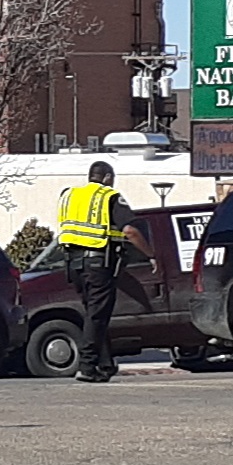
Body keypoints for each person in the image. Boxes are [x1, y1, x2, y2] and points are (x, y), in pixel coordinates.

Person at [55, 160, 150, 384]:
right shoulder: (109, 196)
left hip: (73, 265)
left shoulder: (70, 195)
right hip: (98, 265)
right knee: (97, 316)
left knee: (94, 315)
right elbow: (129, 230)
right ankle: (87, 366)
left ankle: (105, 365)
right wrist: (150, 254)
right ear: (107, 177)